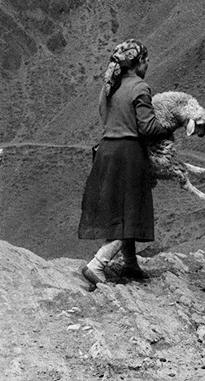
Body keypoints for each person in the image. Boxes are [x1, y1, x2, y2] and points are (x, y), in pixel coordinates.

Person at [78, 39, 171, 286]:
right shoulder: (140, 87)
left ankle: (131, 264)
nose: (148, 64)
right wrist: (170, 126)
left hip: (107, 151)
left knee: (121, 211)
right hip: (128, 155)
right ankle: (97, 265)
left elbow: (104, 117)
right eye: (146, 60)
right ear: (138, 62)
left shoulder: (109, 87)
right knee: (130, 213)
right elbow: (147, 127)